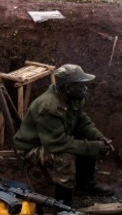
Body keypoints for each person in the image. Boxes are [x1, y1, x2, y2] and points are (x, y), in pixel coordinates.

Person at [13, 64, 115, 208]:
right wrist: (94, 147)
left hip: (52, 139)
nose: (85, 88)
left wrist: (99, 137)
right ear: (68, 88)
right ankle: (63, 206)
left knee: (89, 142)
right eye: (81, 85)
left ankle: (84, 185)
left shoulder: (74, 98)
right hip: (32, 148)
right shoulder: (49, 107)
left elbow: (82, 121)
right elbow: (57, 144)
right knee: (65, 158)